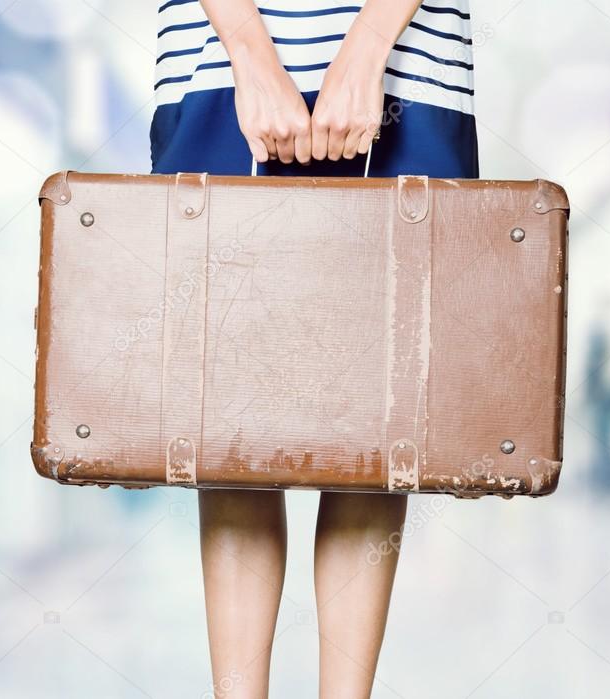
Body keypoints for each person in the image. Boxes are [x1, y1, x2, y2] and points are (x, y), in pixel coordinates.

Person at [151, 1, 478, 696]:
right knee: (228, 430)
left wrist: (368, 45)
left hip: (408, 67)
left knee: (376, 429)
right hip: (217, 66)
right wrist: (249, 53)